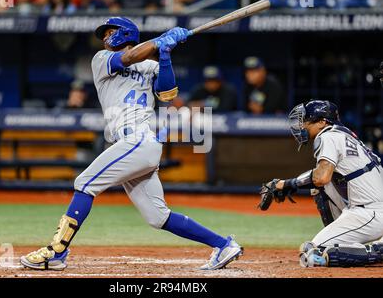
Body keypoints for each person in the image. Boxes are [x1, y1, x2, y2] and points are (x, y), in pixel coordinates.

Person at [20, 17, 243, 271]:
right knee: (158, 217)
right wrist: (159, 41)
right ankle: (224, 244)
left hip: (139, 139)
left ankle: (56, 251)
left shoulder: (151, 65)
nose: (105, 37)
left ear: (125, 33)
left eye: (110, 32)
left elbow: (168, 94)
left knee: (84, 183)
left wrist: (166, 54)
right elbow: (127, 59)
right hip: (130, 144)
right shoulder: (101, 60)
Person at [259, 100, 383, 267]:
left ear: (322, 122)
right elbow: (322, 180)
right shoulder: (344, 134)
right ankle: (342, 236)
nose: (302, 126)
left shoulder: (327, 136)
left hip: (370, 213)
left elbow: (321, 177)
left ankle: (377, 250)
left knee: (314, 251)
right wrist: (288, 184)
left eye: (306, 121)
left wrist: (286, 184)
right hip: (371, 208)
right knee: (320, 188)